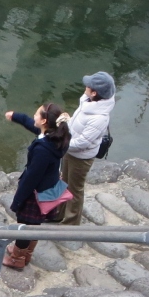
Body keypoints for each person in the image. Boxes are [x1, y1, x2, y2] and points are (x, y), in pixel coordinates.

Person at [2, 103, 71, 269]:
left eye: (36, 114)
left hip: (34, 193)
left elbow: (31, 178)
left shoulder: (43, 150)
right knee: (34, 225)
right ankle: (26, 252)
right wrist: (16, 116)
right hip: (46, 189)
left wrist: (18, 200)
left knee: (24, 226)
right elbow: (31, 124)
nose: (33, 116)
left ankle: (17, 258)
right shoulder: (56, 137)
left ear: (44, 121)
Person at [57, 71, 116, 226]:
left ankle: (71, 223)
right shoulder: (88, 101)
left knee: (74, 190)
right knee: (64, 182)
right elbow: (78, 126)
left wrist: (60, 143)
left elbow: (83, 142)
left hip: (81, 157)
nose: (85, 87)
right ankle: (59, 213)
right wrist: (67, 124)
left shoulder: (99, 118)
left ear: (94, 92)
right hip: (69, 150)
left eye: (88, 86)